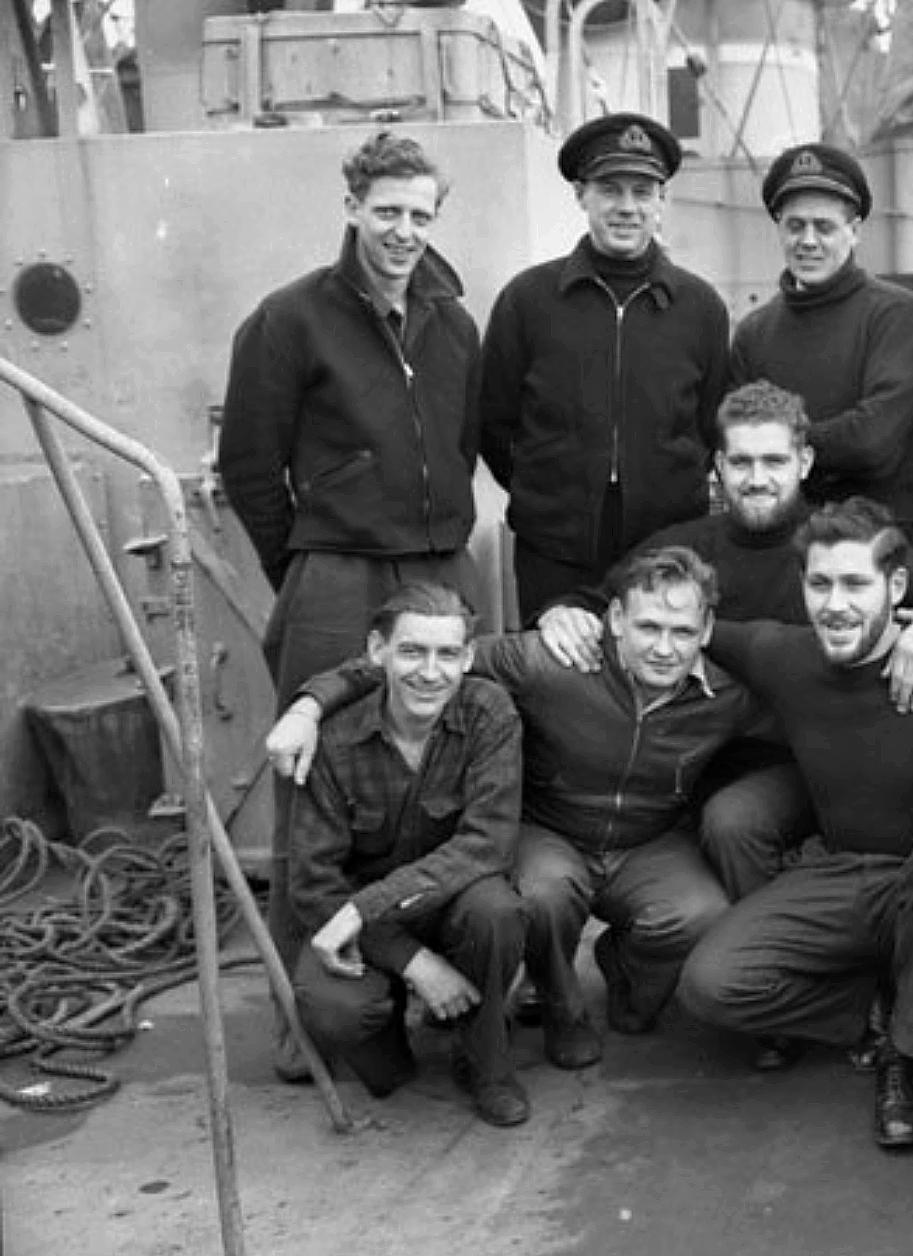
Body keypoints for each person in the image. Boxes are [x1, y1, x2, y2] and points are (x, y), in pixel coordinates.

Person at [271, 548, 762, 1073]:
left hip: (649, 841)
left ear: (707, 630)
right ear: (615, 619)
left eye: (682, 632)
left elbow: (803, 722)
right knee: (541, 895)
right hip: (550, 832)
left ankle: (626, 981)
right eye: (647, 626)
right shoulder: (548, 660)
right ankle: (559, 1006)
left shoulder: (729, 696)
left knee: (698, 913)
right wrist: (310, 704)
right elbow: (422, 660)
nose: (664, 648)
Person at [220, 130, 484, 1079]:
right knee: (315, 794)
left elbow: (467, 439)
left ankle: (441, 987)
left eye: (421, 215)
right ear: (352, 208)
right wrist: (303, 566)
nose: (405, 232)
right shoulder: (288, 320)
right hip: (335, 573)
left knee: (445, 778)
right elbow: (248, 468)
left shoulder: (454, 325)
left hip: (440, 567)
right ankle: (308, 1014)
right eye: (388, 213)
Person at [537, 380, 913, 899]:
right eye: (742, 462)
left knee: (736, 819)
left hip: (820, 753)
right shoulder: (683, 545)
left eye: (774, 461)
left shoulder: (841, 542)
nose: (757, 479)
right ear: (718, 467)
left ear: (804, 462)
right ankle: (750, 946)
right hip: (705, 754)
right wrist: (562, 616)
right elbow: (597, 601)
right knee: (719, 821)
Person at [679, 498, 913, 1150]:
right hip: (839, 873)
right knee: (710, 986)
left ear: (896, 587)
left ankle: (906, 1062)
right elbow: (691, 623)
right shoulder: (784, 655)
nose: (834, 603)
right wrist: (576, 614)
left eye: (855, 583)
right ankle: (871, 1008)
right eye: (819, 584)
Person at [287, 584, 529, 1126]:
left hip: (450, 901)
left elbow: (487, 842)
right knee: (337, 1012)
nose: (430, 672)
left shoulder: (489, 714)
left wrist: (364, 908)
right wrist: (415, 963)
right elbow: (313, 883)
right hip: (364, 927)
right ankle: (391, 1028)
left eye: (447, 655)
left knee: (498, 912)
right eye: (412, 651)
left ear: (468, 658)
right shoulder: (332, 741)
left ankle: (486, 1060)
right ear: (377, 651)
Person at [479, 112, 730, 621]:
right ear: (581, 195)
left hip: (667, 548)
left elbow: (710, 428)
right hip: (554, 552)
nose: (627, 208)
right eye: (610, 189)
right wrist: (549, 496)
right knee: (558, 682)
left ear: (662, 200)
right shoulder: (528, 301)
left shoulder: (700, 308)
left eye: (643, 191)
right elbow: (493, 424)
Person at [729, 144, 913, 550]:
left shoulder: (895, 314)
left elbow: (874, 441)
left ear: (854, 230)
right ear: (779, 229)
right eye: (795, 226)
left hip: (880, 538)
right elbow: (739, 440)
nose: (808, 240)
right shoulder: (754, 332)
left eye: (824, 227)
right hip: (787, 541)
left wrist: (781, 447)